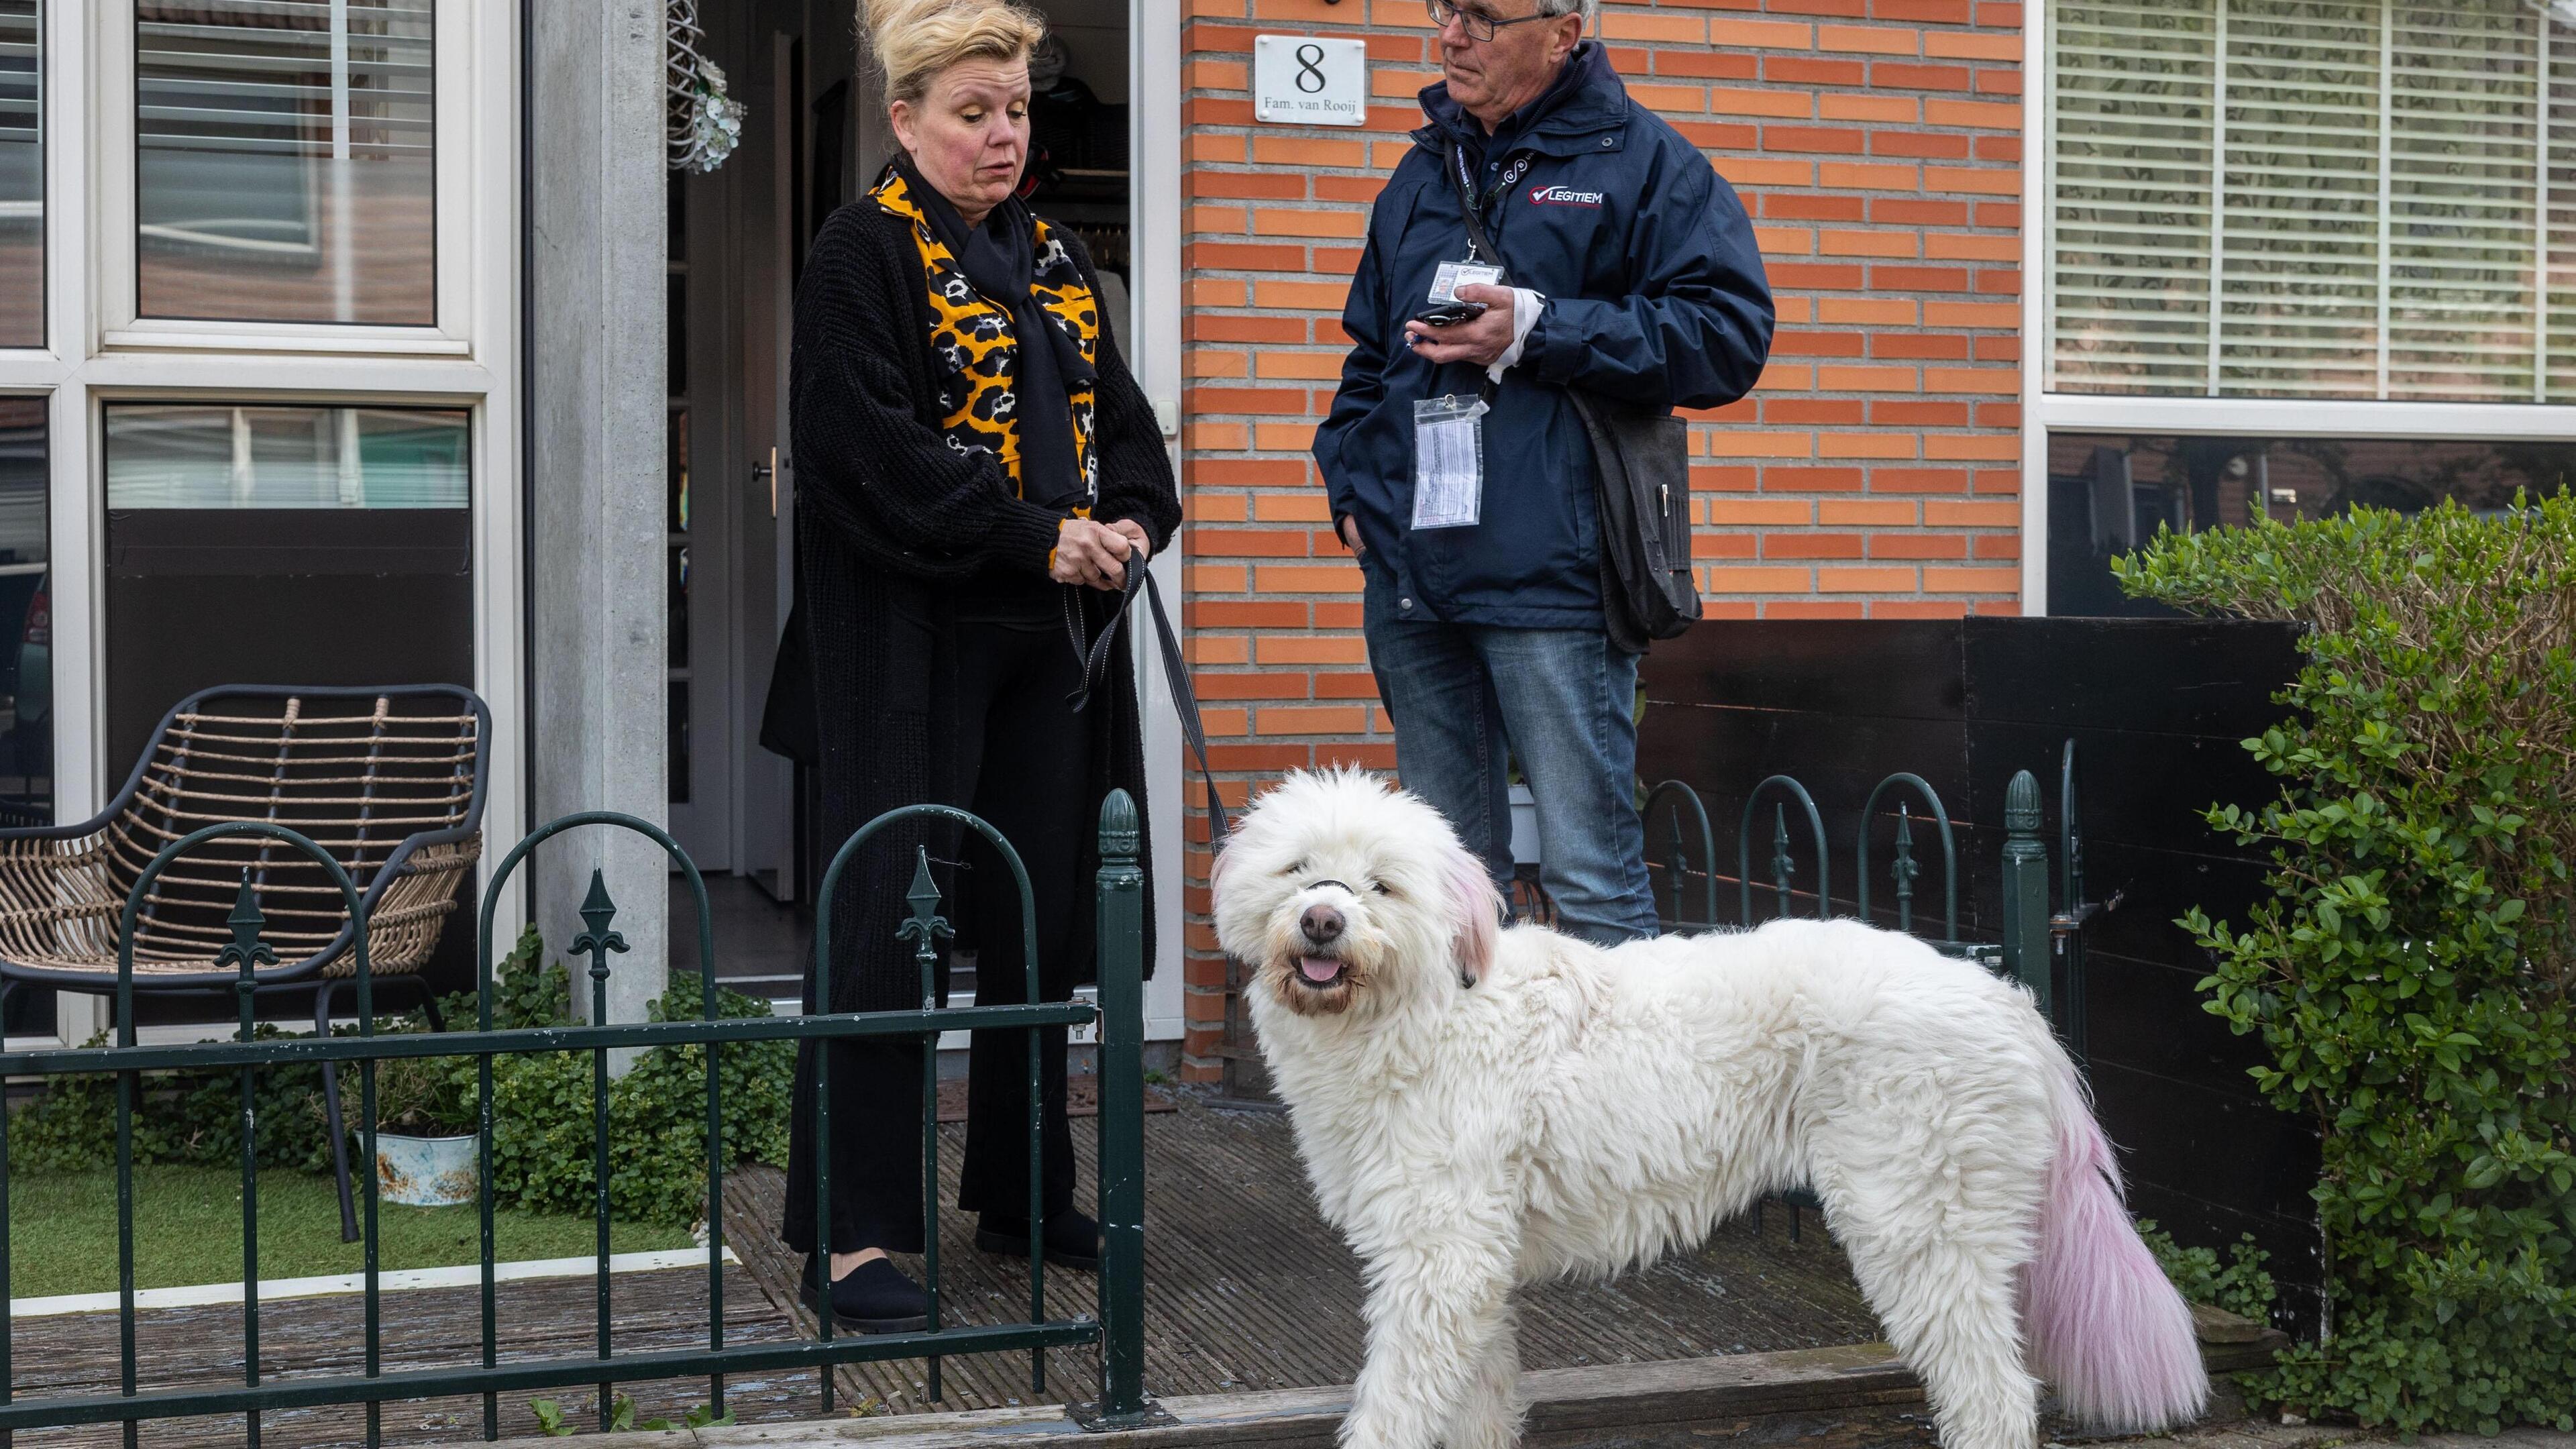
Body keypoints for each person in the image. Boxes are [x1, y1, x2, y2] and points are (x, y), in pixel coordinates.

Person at [771, 0, 1180, 1332]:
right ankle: (856, 1238)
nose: (1004, 136)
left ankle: (1020, 1189)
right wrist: (1033, 537)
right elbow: (865, 458)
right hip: (910, 647)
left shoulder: (1055, 253)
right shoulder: (857, 254)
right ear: (905, 120)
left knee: (1040, 924)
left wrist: (1127, 517)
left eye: (1015, 110)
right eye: (973, 113)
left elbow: (1125, 426)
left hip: (1051, 647)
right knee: (893, 930)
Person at [1315, 0, 1774, 946]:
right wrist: (1351, 489)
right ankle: (1461, 1099)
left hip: (1554, 583)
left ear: (1563, 32)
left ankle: (1627, 1100)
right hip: (1412, 575)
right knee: (1444, 890)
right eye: (1445, 11)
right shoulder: (1420, 170)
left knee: (1592, 878)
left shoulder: (1647, 166)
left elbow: (1728, 338)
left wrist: (1538, 328)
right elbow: (1368, 358)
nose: (1451, 37)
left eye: (1482, 18)